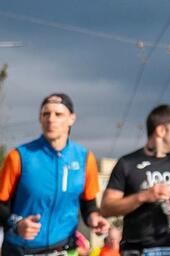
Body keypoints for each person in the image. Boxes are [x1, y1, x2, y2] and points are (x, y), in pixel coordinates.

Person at [0, 93, 110, 256]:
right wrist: (17, 224)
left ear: (71, 118)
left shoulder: (85, 158)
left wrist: (94, 218)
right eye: (46, 114)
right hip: (21, 250)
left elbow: (88, 204)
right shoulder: (19, 156)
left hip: (64, 249)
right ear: (40, 118)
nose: (51, 119)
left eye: (58, 114)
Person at [100, 104, 170, 256]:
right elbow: (106, 208)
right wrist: (143, 196)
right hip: (135, 249)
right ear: (161, 130)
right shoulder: (127, 163)